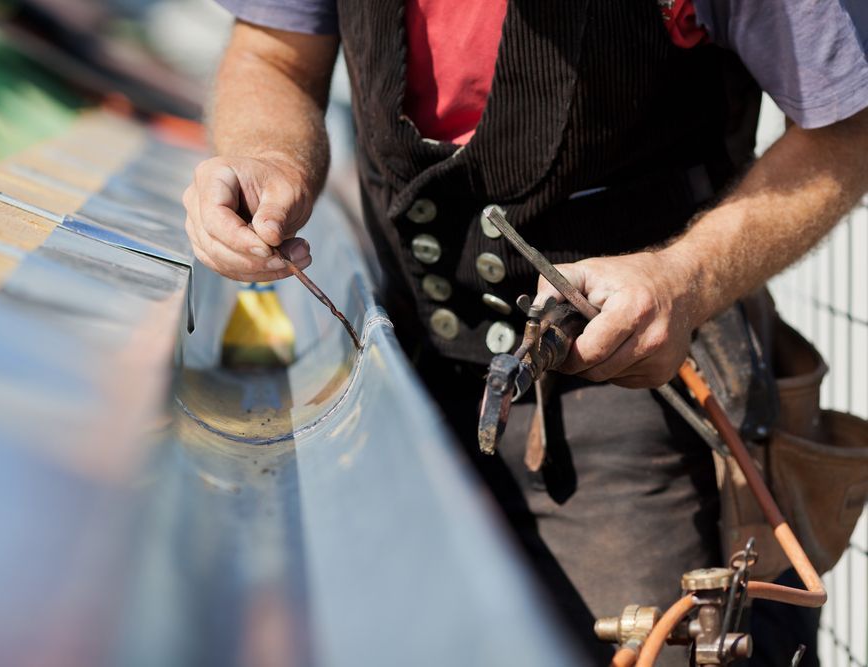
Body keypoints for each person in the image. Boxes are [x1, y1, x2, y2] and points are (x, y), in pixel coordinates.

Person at [183, 1, 868, 664]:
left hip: (637, 406)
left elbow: (847, 130)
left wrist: (683, 278)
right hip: (397, 381)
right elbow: (273, 55)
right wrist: (269, 156)